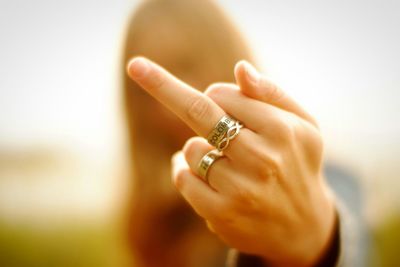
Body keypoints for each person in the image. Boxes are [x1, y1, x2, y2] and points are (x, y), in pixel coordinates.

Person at [122, 0, 364, 266]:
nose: (165, 109)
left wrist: (315, 240)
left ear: (225, 52)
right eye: (141, 92)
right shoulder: (152, 214)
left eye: (185, 65)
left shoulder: (331, 178)